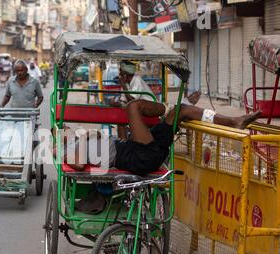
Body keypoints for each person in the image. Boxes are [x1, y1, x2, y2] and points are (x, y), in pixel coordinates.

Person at [61, 61, 262, 175]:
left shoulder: (86, 140)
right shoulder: (71, 149)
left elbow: (119, 135)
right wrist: (81, 141)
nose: (69, 131)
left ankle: (234, 121)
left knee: (180, 111)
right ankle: (165, 108)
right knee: (133, 106)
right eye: (65, 133)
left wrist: (89, 136)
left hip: (142, 148)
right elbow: (78, 165)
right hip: (138, 156)